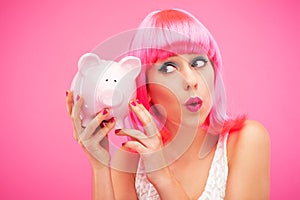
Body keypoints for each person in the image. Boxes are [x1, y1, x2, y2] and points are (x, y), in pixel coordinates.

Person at [66, 9, 270, 200]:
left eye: (198, 62)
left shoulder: (246, 140)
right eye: (169, 67)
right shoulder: (130, 161)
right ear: (147, 88)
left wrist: (162, 176)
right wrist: (100, 167)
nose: (191, 80)